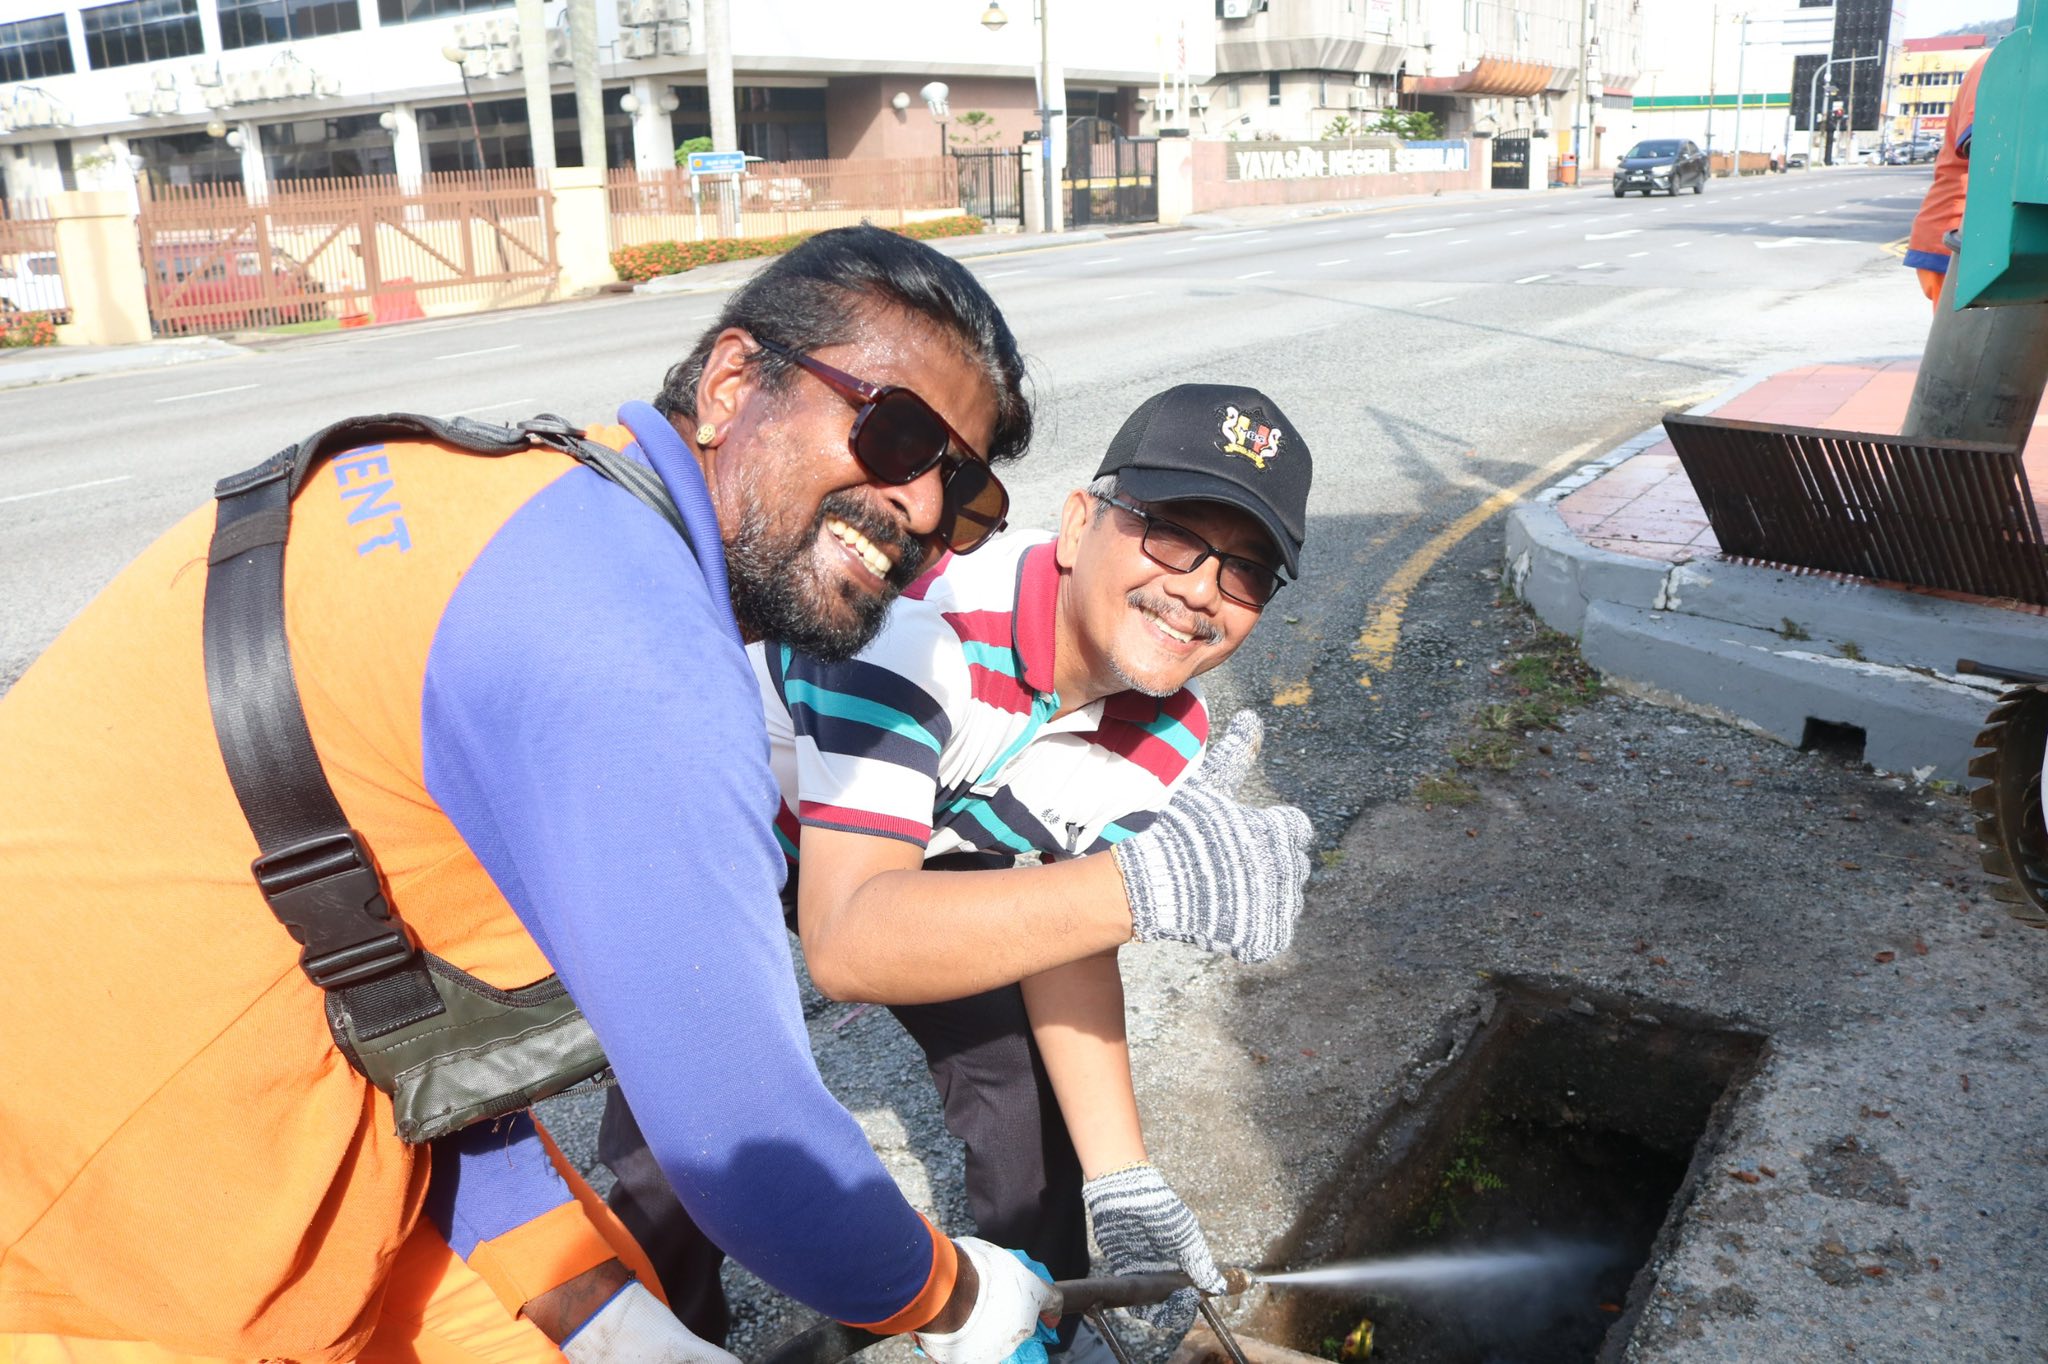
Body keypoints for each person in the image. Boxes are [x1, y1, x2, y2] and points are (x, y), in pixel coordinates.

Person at [0, 225, 1069, 1364]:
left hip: (242, 1105)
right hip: (86, 1250)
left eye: (963, 494)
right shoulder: (633, 649)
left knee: (600, 1287)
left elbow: (401, 1007)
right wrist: (952, 1295)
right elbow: (738, 1133)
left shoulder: (536, 501)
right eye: (895, 431)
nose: (915, 507)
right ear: (730, 382)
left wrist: (599, 1314)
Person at [600, 384, 1318, 1352]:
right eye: (1169, 533)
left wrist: (1125, 1177)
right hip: (733, 819)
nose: (1198, 587)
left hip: (918, 840)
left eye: (1244, 570)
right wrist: (1138, 884)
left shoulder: (1168, 724)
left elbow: (1067, 921)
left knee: (1028, 1105)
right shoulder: (919, 626)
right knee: (689, 1139)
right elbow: (847, 944)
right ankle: (648, 1331)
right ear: (1075, 522)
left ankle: (1036, 1314)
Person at [1904, 52, 1987, 307]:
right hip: (1959, 234)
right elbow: (1987, 145)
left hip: (1983, 234)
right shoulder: (2001, 64)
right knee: (1968, 343)